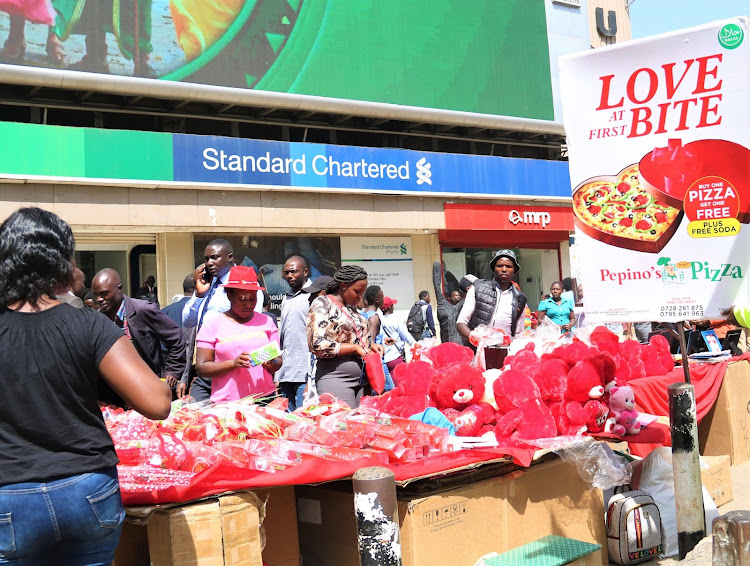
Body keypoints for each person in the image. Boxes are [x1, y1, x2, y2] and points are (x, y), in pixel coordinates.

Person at [0, 207, 170, 565]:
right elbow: (157, 403)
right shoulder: (88, 325)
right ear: (62, 261)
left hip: (10, 496)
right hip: (88, 491)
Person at [92, 268, 186, 404]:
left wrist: (172, 371)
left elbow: (176, 337)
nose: (99, 299)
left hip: (146, 389)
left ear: (119, 288)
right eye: (96, 295)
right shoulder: (96, 319)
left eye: (104, 294)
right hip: (112, 396)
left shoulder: (143, 310)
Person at [195, 266, 281, 403]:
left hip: (264, 399)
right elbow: (202, 367)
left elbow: (277, 361)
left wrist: (271, 363)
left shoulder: (267, 321)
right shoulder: (212, 324)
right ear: (229, 295)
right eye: (242, 299)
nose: (248, 305)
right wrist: (233, 363)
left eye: (252, 299)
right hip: (228, 403)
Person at [306, 265, 383, 409]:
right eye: (357, 291)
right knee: (344, 425)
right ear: (343, 285)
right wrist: (354, 348)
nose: (360, 296)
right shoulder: (322, 304)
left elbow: (355, 338)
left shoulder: (352, 309)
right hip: (336, 378)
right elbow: (316, 344)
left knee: (363, 425)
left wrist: (370, 345)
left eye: (363, 292)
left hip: (362, 379)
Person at [182, 238, 236, 401]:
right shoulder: (208, 284)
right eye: (206, 259)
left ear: (229, 257)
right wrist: (199, 295)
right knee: (197, 417)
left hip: (228, 367)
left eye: (214, 257)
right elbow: (188, 321)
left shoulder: (241, 286)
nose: (209, 263)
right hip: (204, 367)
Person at [457, 249, 527, 341]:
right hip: (478, 350)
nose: (504, 269)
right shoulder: (477, 289)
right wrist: (475, 339)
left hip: (505, 350)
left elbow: (519, 333)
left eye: (508, 266)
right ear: (494, 268)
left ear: (514, 270)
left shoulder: (520, 298)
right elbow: (461, 323)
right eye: (500, 266)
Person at [276, 255, 311, 411]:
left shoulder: (313, 296)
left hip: (305, 371)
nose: (290, 276)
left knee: (303, 418)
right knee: (288, 420)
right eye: (287, 272)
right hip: (286, 371)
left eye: (294, 272)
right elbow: (282, 335)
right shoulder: (287, 298)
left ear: (306, 272)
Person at [380, 296, 416, 375]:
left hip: (383, 359)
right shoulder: (396, 320)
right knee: (399, 384)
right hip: (395, 357)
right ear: (390, 307)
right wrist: (417, 346)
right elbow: (407, 337)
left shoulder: (378, 320)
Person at [431, 261, 464, 344]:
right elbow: (437, 290)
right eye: (455, 295)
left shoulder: (463, 305)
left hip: (459, 343)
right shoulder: (444, 305)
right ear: (451, 297)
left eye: (458, 295)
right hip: (447, 342)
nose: (457, 297)